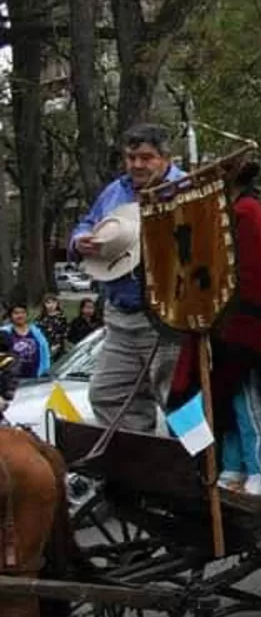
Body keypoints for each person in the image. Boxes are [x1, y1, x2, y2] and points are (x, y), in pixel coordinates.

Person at [168, 156, 261, 495]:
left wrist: (236, 323)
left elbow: (253, 277)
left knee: (248, 403)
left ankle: (257, 468)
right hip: (219, 328)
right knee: (223, 403)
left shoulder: (247, 212)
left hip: (244, 329)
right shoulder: (226, 212)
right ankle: (231, 465)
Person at [71, 124, 185, 432]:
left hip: (167, 318)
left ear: (165, 158)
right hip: (120, 319)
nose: (136, 164)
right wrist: (80, 238)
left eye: (146, 157)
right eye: (131, 157)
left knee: (179, 401)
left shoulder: (186, 190)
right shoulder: (116, 190)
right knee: (109, 394)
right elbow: (87, 222)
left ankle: (199, 464)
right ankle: (142, 463)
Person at [1, 302, 52, 379]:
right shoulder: (4, 332)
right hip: (10, 379)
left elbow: (45, 351)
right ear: (10, 316)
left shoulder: (36, 332)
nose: (20, 315)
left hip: (35, 377)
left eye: (23, 312)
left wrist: (45, 370)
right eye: (16, 313)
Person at [36, 294, 69, 361]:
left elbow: (63, 332)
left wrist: (57, 344)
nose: (51, 305)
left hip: (58, 346)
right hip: (45, 344)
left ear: (57, 303)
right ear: (44, 304)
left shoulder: (61, 317)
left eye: (54, 302)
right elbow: (37, 331)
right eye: (48, 303)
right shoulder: (41, 317)